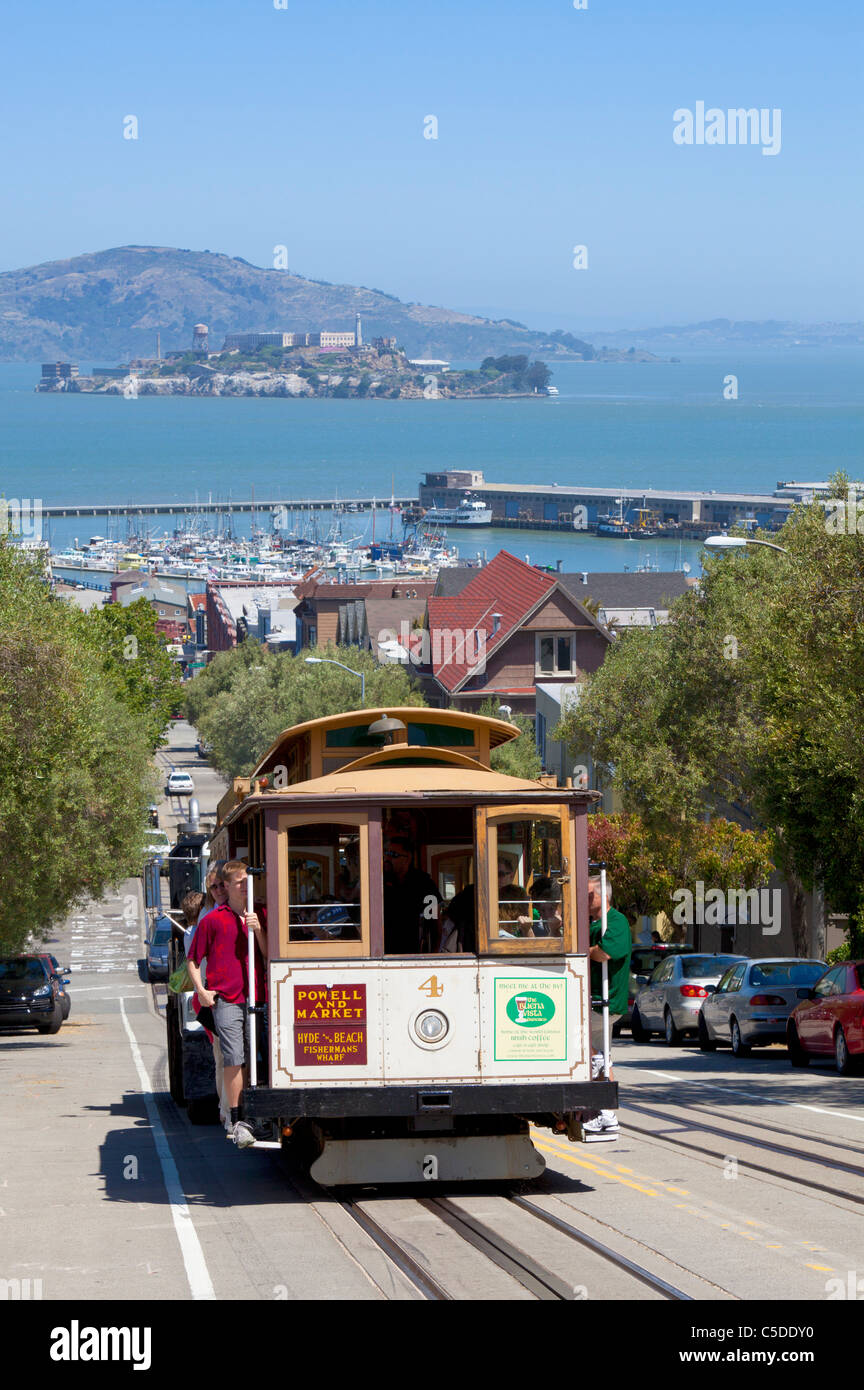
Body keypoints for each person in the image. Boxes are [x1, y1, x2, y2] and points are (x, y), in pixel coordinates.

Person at [186, 859, 267, 1149]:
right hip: (227, 999)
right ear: (228, 887)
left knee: (257, 1055)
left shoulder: (261, 914)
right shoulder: (212, 920)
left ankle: (254, 1113)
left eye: (247, 881)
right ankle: (236, 1119)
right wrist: (202, 990)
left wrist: (258, 930)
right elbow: (193, 959)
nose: (244, 886)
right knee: (234, 1056)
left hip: (257, 997)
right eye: (238, 883)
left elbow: (269, 955)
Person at [585, 873, 631, 1139]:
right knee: (600, 1052)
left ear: (603, 896)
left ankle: (606, 1113)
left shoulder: (616, 922)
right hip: (592, 1001)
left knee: (589, 1050)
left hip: (605, 1002)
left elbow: (606, 952)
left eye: (589, 895)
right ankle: (605, 1114)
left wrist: (586, 950)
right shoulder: (592, 923)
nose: (585, 899)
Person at [383, 834, 441, 953]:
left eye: (393, 855)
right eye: (386, 853)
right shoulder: (380, 883)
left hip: (414, 955)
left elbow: (435, 925)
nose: (387, 859)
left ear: (408, 858)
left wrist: (434, 956)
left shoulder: (424, 885)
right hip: (384, 953)